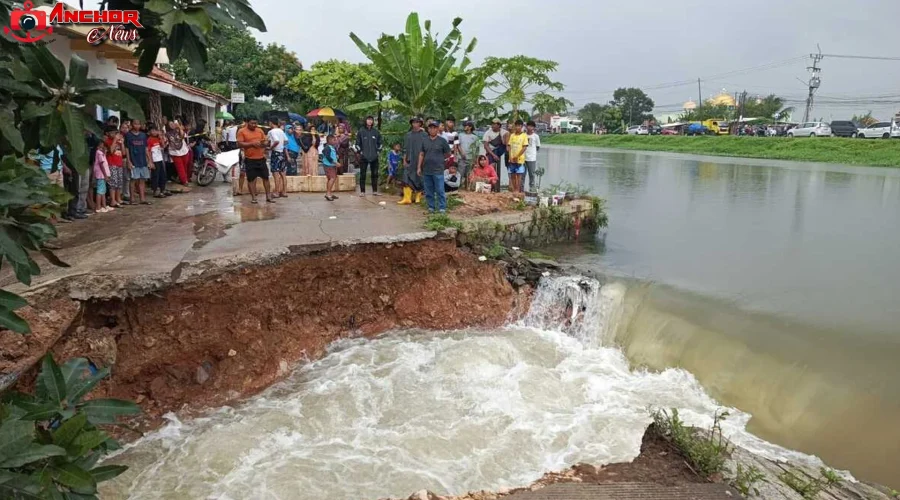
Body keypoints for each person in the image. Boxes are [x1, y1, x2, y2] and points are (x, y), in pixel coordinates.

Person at [236, 118, 274, 204]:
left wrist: (265, 143)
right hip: (250, 159)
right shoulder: (241, 131)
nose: (254, 125)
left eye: (255, 123)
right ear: (247, 123)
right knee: (251, 179)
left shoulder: (260, 130)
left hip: (261, 158)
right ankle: (253, 197)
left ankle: (268, 196)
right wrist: (252, 144)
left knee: (266, 178)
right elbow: (239, 144)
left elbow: (265, 142)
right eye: (252, 123)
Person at [417, 120, 451, 213]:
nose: (432, 130)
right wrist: (419, 167)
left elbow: (448, 154)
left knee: (440, 190)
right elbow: (421, 154)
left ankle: (442, 208)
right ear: (428, 129)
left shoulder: (442, 141)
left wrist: (439, 159)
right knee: (429, 191)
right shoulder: (424, 141)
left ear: (437, 129)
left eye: (434, 128)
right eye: (430, 128)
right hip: (427, 170)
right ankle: (431, 207)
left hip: (438, 170)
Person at [401, 116, 427, 205]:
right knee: (406, 178)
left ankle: (418, 197)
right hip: (409, 159)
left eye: (417, 122)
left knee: (419, 178)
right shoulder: (408, 135)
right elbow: (405, 149)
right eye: (413, 122)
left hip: (420, 160)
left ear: (420, 124)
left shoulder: (424, 135)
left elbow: (426, 148)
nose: (415, 124)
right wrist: (404, 160)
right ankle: (406, 198)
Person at [125, 119, 152, 205]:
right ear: (132, 125)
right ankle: (132, 199)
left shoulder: (143, 135)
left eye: (138, 124)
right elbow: (127, 149)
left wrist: (150, 160)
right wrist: (128, 161)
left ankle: (142, 198)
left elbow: (146, 148)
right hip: (133, 160)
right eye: (135, 124)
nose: (137, 126)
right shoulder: (128, 135)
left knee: (142, 180)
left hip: (143, 160)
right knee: (133, 180)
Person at [355, 115, 382, 197]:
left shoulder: (376, 132)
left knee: (375, 174)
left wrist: (378, 151)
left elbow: (380, 143)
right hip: (364, 157)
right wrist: (361, 152)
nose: (370, 121)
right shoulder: (361, 131)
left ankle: (375, 191)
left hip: (374, 157)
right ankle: (362, 191)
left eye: (371, 120)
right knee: (363, 174)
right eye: (368, 120)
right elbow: (357, 144)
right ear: (365, 121)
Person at [482, 118, 509, 192]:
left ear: (499, 125)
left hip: (500, 149)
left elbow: (507, 139)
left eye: (495, 124)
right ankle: (491, 186)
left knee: (507, 135)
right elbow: (486, 146)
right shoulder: (488, 132)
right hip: (491, 152)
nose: (493, 125)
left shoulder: (504, 132)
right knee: (491, 168)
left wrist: (505, 142)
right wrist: (493, 155)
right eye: (492, 124)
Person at [166, 119, 191, 190]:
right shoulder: (167, 133)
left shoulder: (178, 130)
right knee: (180, 167)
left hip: (183, 150)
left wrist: (179, 127)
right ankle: (184, 181)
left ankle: (184, 178)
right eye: (170, 124)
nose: (172, 125)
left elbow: (183, 136)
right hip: (174, 152)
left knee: (185, 165)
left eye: (173, 124)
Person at [266, 119, 288, 198]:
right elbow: (286, 141)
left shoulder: (271, 132)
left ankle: (277, 192)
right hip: (281, 153)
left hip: (275, 153)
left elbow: (276, 141)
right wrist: (281, 146)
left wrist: (270, 148)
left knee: (275, 173)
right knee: (282, 173)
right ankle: (284, 191)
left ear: (271, 123)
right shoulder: (281, 131)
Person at [105, 125, 126, 207]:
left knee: (119, 182)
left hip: (119, 163)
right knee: (113, 183)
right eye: (113, 133)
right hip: (111, 163)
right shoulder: (108, 141)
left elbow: (123, 153)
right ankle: (112, 200)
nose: (115, 134)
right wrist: (115, 140)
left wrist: (122, 144)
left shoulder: (118, 141)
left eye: (116, 133)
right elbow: (110, 151)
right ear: (108, 133)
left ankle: (118, 199)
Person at [507, 119, 529, 193]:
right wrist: (510, 156)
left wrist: (517, 156)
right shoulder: (512, 135)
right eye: (516, 126)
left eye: (519, 126)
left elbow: (524, 147)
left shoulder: (524, 136)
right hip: (512, 158)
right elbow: (509, 146)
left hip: (520, 159)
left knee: (519, 175)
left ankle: (517, 190)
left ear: (522, 126)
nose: (517, 127)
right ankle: (514, 189)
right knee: (512, 175)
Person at [147, 124, 167, 198]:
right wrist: (150, 161)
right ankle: (155, 190)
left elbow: (163, 146)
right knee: (155, 175)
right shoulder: (149, 140)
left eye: (156, 130)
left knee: (162, 175)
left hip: (160, 159)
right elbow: (148, 151)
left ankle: (162, 189)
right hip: (154, 160)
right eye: (153, 131)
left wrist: (161, 137)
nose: (154, 132)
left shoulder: (158, 138)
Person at [457, 121, 478, 187]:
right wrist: (462, 153)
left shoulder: (475, 137)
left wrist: (475, 159)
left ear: (470, 127)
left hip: (471, 158)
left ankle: (467, 187)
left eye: (466, 126)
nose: (464, 127)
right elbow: (458, 145)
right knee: (460, 173)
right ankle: (459, 187)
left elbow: (476, 149)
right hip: (462, 158)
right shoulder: (460, 135)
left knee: (468, 174)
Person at [93, 141, 112, 213]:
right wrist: (105, 175)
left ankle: (103, 206)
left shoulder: (102, 153)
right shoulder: (99, 153)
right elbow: (101, 165)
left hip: (103, 175)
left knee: (103, 191)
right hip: (101, 175)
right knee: (100, 191)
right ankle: (98, 207)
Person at [524, 120, 542, 191]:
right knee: (522, 175)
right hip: (523, 158)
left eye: (531, 126)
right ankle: (521, 190)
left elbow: (538, 147)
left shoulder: (536, 136)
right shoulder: (523, 135)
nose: (529, 127)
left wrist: (532, 153)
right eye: (528, 126)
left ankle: (531, 190)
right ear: (526, 126)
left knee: (532, 175)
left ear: (533, 128)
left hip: (531, 159)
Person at [322, 134, 339, 201]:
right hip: (329, 166)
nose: (335, 141)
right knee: (332, 178)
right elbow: (328, 157)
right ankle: (328, 194)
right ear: (329, 140)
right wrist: (335, 162)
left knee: (331, 179)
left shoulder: (331, 147)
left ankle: (329, 193)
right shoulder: (327, 147)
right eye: (334, 140)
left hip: (331, 166)